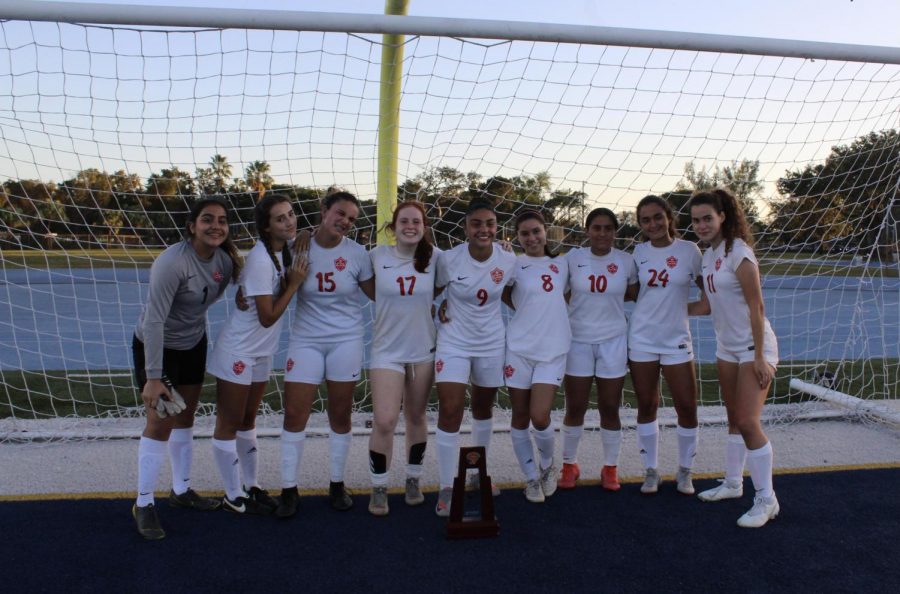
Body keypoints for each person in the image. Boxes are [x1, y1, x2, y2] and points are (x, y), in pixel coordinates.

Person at [131, 197, 241, 539]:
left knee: (186, 417)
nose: (216, 226)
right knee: (159, 421)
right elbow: (153, 322)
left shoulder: (224, 260)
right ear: (192, 225)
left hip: (194, 343)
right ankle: (144, 503)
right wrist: (152, 377)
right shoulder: (171, 263)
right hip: (158, 346)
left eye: (222, 220)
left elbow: (235, 287)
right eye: (207, 219)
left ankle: (180, 491)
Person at [207, 194, 309, 514]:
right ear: (266, 227)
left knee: (249, 420)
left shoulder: (283, 250)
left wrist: (304, 234)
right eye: (280, 218)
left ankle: (251, 485)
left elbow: (306, 234)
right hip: (238, 350)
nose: (289, 221)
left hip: (261, 352)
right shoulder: (262, 260)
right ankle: (232, 492)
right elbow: (267, 317)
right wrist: (293, 285)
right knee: (229, 422)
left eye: (291, 214)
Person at [277, 191, 375, 517]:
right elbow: (272, 287)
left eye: (351, 218)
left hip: (346, 341)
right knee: (294, 414)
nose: (345, 222)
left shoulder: (359, 254)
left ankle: (337, 483)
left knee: (341, 414)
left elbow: (380, 296)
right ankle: (289, 489)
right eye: (340, 214)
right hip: (305, 340)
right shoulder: (296, 248)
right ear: (324, 211)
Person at [688, 188, 780, 528]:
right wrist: (668, 310)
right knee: (732, 418)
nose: (701, 225)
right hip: (727, 347)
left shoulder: (739, 253)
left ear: (723, 216)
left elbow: (757, 307)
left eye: (707, 218)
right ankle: (731, 482)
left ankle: (767, 500)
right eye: (696, 220)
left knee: (747, 421)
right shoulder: (708, 255)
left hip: (754, 348)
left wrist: (759, 357)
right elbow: (706, 306)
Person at [432, 199, 517, 517]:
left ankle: (476, 476)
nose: (484, 229)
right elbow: (433, 290)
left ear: (497, 228)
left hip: (491, 343)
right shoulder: (449, 259)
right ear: (466, 228)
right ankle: (446, 485)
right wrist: (437, 307)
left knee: (483, 408)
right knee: (451, 409)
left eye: (490, 224)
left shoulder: (508, 260)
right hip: (454, 341)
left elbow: (514, 294)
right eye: (477, 224)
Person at [366, 201, 441, 516]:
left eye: (417, 222)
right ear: (392, 227)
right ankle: (379, 486)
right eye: (404, 221)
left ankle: (413, 479)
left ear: (424, 227)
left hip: (422, 349)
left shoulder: (436, 258)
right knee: (384, 420)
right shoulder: (375, 256)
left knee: (417, 417)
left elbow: (459, 278)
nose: (411, 226)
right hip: (386, 350)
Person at [629, 195, 703, 495]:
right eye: (645, 220)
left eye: (657, 217)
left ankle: (685, 471)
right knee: (647, 405)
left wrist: (681, 311)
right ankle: (651, 471)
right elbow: (635, 293)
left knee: (687, 406)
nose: (653, 224)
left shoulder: (689, 251)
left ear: (669, 217)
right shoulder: (637, 252)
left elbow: (707, 293)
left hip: (677, 341)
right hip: (642, 339)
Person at [560, 208, 638, 491]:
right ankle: (569, 464)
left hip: (613, 341)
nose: (602, 233)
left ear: (615, 231)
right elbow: (561, 292)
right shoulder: (572, 259)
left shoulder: (627, 262)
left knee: (609, 406)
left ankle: (610, 467)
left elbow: (635, 293)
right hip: (577, 340)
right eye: (596, 228)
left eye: (608, 228)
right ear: (587, 231)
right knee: (576, 406)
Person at [503, 210, 570, 503]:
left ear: (546, 232)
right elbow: (500, 292)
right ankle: (530, 478)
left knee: (539, 415)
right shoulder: (513, 264)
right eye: (524, 233)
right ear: (517, 237)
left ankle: (547, 467)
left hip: (553, 350)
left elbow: (565, 295)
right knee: (519, 416)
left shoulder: (563, 263)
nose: (531, 238)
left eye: (536, 231)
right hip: (518, 348)